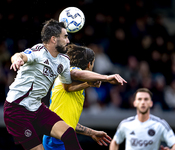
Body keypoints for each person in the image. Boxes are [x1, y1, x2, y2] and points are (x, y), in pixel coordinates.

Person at [3, 19, 126, 150]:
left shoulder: (64, 60)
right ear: (53, 39)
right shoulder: (39, 52)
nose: (68, 41)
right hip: (16, 109)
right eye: (65, 37)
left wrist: (87, 84)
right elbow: (20, 55)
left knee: (68, 134)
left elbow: (68, 86)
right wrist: (17, 60)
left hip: (36, 108)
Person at [43, 43, 112, 149]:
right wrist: (106, 78)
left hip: (57, 136)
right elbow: (75, 73)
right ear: (89, 64)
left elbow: (69, 122)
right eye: (93, 64)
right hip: (56, 138)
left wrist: (91, 133)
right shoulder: (71, 71)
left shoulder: (73, 86)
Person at [109, 88, 175, 150]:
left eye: (146, 99)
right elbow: (114, 142)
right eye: (140, 99)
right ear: (135, 103)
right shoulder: (125, 124)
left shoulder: (160, 124)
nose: (143, 102)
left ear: (151, 103)